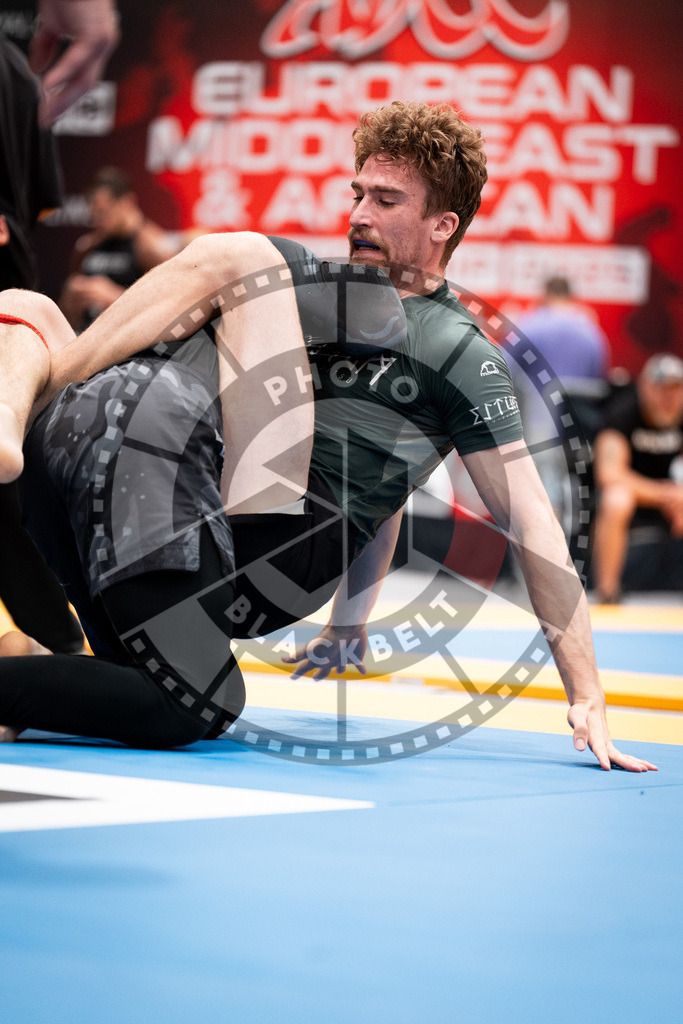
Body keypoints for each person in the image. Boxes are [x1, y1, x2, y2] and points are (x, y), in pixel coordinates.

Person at [0, 102, 656, 772]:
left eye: (386, 199)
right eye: (358, 193)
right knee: (192, 703)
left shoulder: (456, 352)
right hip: (187, 508)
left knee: (164, 682)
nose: (359, 214)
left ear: (442, 225)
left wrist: (585, 691)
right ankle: (40, 397)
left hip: (141, 512)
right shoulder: (307, 295)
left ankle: (30, 389)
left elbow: (521, 518)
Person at [511, 277, 610, 531]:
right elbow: (599, 380)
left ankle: (546, 557)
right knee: (572, 492)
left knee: (543, 491)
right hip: (580, 430)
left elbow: (500, 369)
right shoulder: (592, 331)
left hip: (540, 426)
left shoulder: (532, 324)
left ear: (545, 294)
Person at [593, 353, 683, 602]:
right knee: (616, 500)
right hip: (632, 495)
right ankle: (608, 591)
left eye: (676, 390)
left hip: (670, 498)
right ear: (645, 387)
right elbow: (609, 473)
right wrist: (665, 494)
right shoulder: (623, 412)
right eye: (662, 389)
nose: (669, 397)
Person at [60, 167, 177, 331]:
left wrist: (115, 298)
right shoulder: (88, 245)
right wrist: (71, 299)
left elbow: (170, 310)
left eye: (104, 213)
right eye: (94, 215)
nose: (97, 221)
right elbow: (67, 315)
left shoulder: (151, 247)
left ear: (127, 202)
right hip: (87, 337)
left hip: (130, 344)